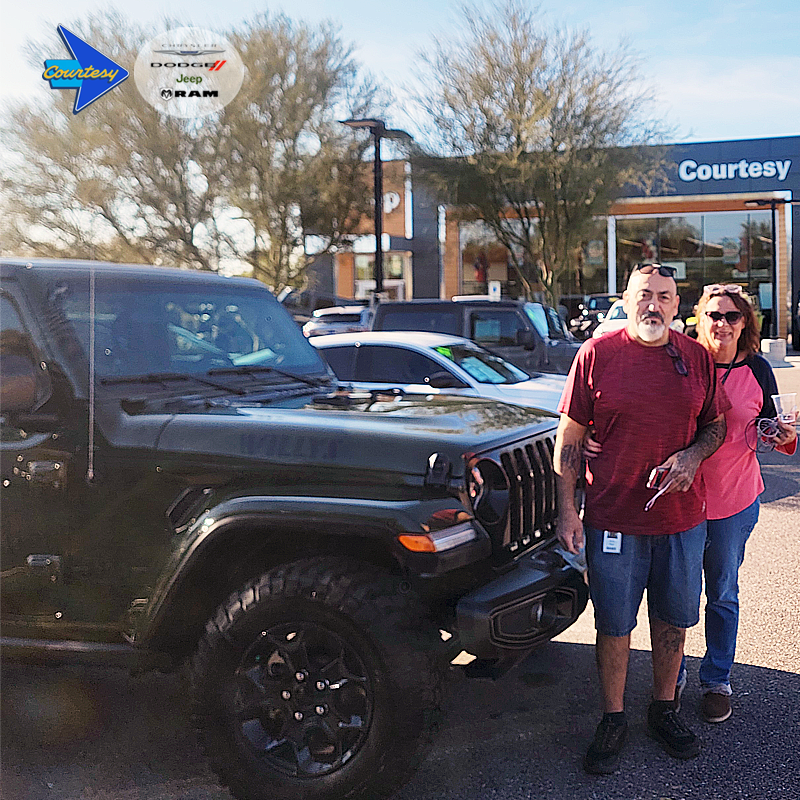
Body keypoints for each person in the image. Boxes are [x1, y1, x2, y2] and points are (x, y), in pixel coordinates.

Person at [554, 263, 730, 775]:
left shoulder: (696, 358)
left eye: (665, 297)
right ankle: (613, 717)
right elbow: (569, 438)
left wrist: (693, 457)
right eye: (645, 295)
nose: (654, 304)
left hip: (681, 520)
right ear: (627, 301)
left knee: (673, 621)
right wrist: (568, 511)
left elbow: (716, 427)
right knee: (614, 625)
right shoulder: (596, 354)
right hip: (612, 518)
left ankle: (663, 709)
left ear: (677, 306)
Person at [676, 284, 797, 723]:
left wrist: (785, 436)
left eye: (731, 316)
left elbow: (772, 430)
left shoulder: (758, 369)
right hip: (683, 503)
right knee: (678, 594)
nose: (722, 324)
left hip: (735, 501)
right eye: (714, 315)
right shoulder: (684, 365)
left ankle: (717, 680)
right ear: (699, 320)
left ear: (744, 322)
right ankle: (672, 676)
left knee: (722, 593)